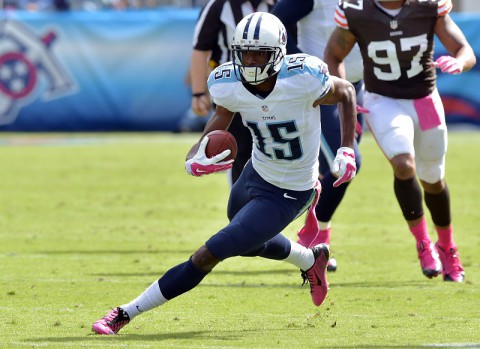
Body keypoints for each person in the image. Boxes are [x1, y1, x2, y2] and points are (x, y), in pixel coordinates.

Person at [92, 12, 358, 335]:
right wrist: (195, 157)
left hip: (291, 189)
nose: (251, 61)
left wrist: (346, 147)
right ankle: (309, 260)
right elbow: (215, 125)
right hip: (254, 174)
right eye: (245, 53)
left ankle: (124, 313)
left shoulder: (302, 76)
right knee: (246, 242)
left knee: (209, 253)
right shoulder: (230, 82)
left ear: (278, 53)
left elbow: (346, 93)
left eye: (259, 53)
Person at [324, 0, 476, 282]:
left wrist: (459, 62)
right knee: (404, 165)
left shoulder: (428, 5)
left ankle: (447, 246)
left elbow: (464, 50)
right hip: (384, 100)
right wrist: (344, 94)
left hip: (426, 100)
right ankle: (422, 243)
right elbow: (333, 55)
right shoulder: (356, 9)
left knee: (433, 178)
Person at [271, 0, 366, 272]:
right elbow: (275, 25)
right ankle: (313, 239)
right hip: (321, 90)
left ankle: (314, 239)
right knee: (347, 162)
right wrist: (304, 67)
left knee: (334, 169)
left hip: (354, 87)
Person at [190, 0, 277, 186]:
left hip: (272, 90)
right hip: (232, 91)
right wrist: (198, 93)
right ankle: (241, 204)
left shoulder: (279, 4)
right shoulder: (218, 5)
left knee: (273, 148)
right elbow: (200, 48)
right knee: (238, 150)